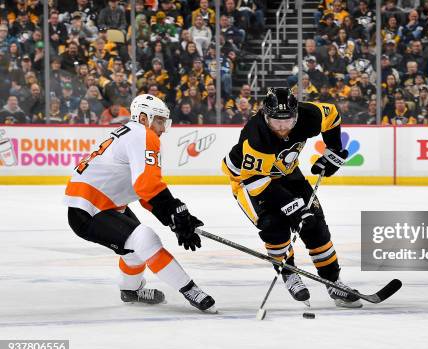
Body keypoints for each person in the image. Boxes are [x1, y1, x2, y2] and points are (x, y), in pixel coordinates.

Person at [63, 94, 216, 312]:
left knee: (134, 249)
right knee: (144, 238)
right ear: (144, 118)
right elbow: (147, 185)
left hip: (99, 205)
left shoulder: (130, 133)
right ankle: (190, 290)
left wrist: (174, 220)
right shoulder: (143, 135)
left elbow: (144, 193)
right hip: (90, 209)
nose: (163, 128)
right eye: (160, 121)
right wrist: (174, 214)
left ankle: (130, 291)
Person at [221, 88, 362, 308]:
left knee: (315, 226)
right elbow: (258, 183)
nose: (283, 128)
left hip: (288, 173)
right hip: (249, 182)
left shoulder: (309, 116)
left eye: (288, 121)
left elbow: (332, 115)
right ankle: (288, 272)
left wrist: (333, 149)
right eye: (276, 122)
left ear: (296, 115)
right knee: (274, 226)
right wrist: (294, 208)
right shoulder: (256, 137)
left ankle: (334, 282)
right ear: (266, 116)